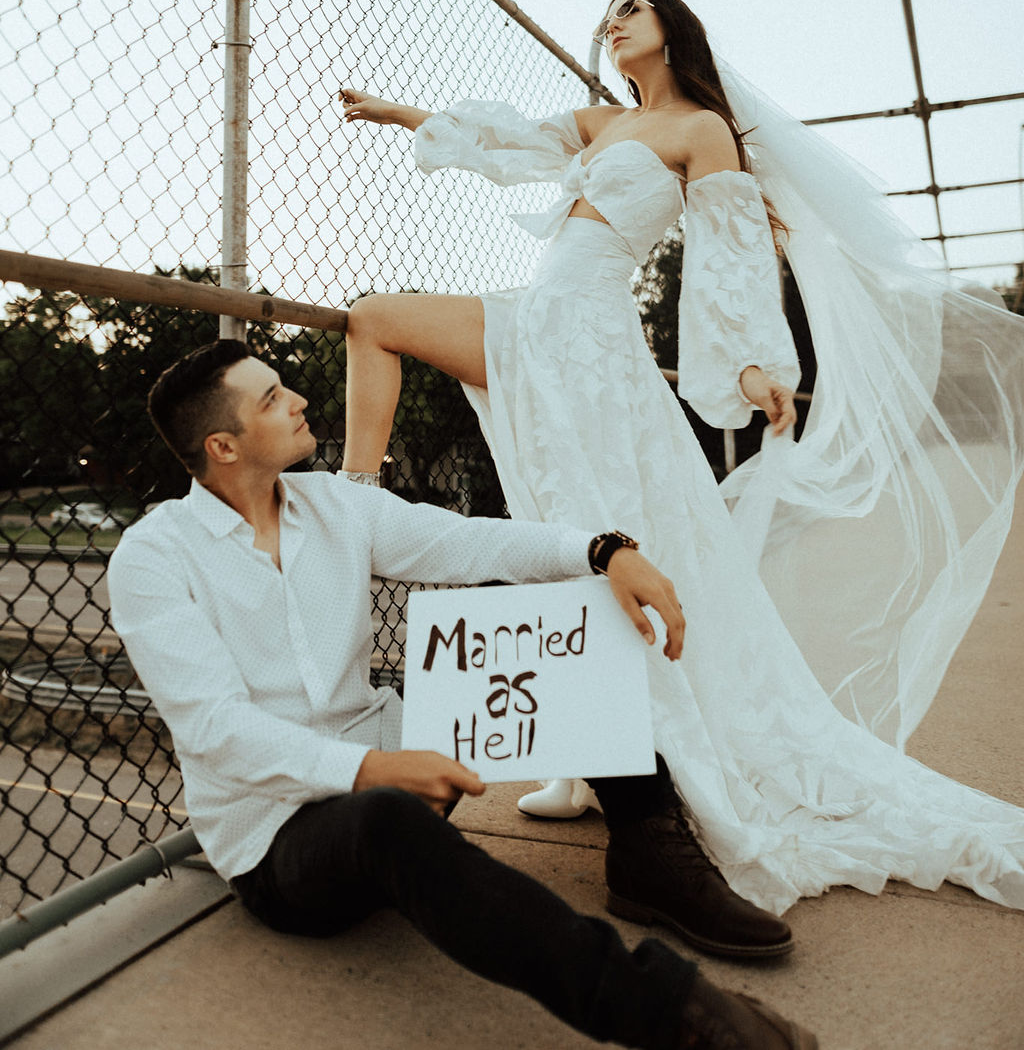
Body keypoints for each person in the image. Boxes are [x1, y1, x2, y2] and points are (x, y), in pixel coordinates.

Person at [337, 0, 1024, 917]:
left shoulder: (702, 131)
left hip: (588, 343)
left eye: (632, 9)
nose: (613, 23)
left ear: (672, 29)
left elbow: (732, 258)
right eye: (606, 16)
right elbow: (503, 143)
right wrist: (400, 113)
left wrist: (750, 367)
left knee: (589, 540)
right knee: (376, 324)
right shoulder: (600, 123)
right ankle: (356, 501)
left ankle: (612, 764)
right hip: (538, 322)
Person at [107, 339, 817, 1050]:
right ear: (223, 447)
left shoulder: (334, 507)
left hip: (390, 764)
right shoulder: (155, 557)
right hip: (278, 841)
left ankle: (649, 859)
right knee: (385, 821)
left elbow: (472, 544)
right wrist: (373, 771)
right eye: (270, 398)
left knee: (569, 642)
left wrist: (605, 553)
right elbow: (216, 731)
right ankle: (669, 1013)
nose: (296, 399)